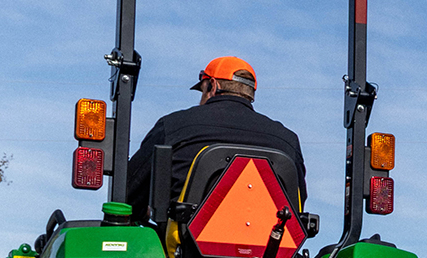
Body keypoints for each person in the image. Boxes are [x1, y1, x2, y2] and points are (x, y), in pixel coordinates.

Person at [125, 56, 307, 222]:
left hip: (185, 252)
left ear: (212, 86)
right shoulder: (287, 140)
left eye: (202, 90)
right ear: (250, 93)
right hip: (269, 253)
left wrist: (143, 214)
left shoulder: (173, 126)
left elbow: (131, 190)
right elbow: (296, 203)